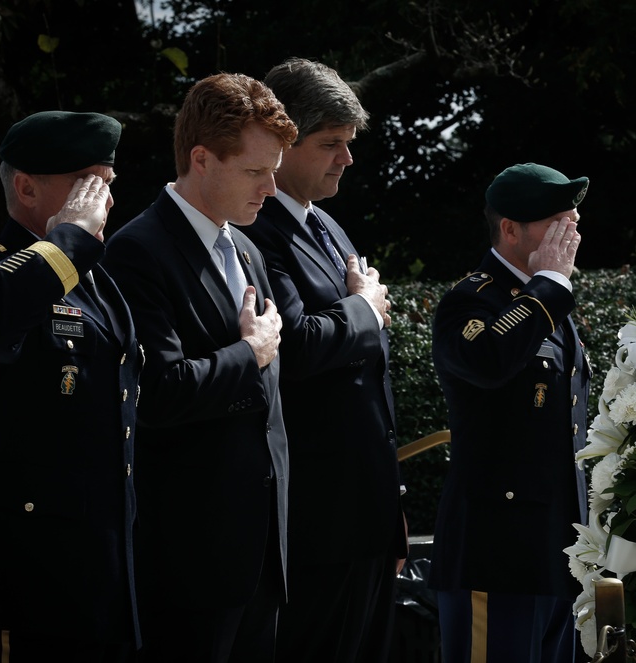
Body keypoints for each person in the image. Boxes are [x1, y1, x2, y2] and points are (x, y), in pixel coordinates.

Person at [102, 73, 295, 663]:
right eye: (256, 171)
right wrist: (252, 353)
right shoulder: (138, 251)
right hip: (190, 557)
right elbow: (156, 395)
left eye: (275, 171)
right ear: (202, 159)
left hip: (263, 549)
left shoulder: (247, 248)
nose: (270, 188)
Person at [0, 111, 141, 662]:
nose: (102, 201)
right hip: (25, 585)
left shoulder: (95, 281)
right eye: (88, 185)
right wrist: (69, 238)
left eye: (107, 184)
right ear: (27, 187)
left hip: (100, 578)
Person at [237, 57, 407, 662]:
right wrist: (363, 310)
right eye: (331, 144)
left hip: (363, 514)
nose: (347, 159)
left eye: (348, 143)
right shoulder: (253, 231)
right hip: (314, 520)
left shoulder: (328, 226)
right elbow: (295, 346)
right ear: (284, 143)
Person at [428, 163, 590, 662]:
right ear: (510, 229)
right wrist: (549, 288)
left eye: (574, 218)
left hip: (555, 550)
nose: (573, 231)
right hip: (496, 554)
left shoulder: (552, 299)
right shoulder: (470, 301)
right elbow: (488, 360)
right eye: (556, 221)